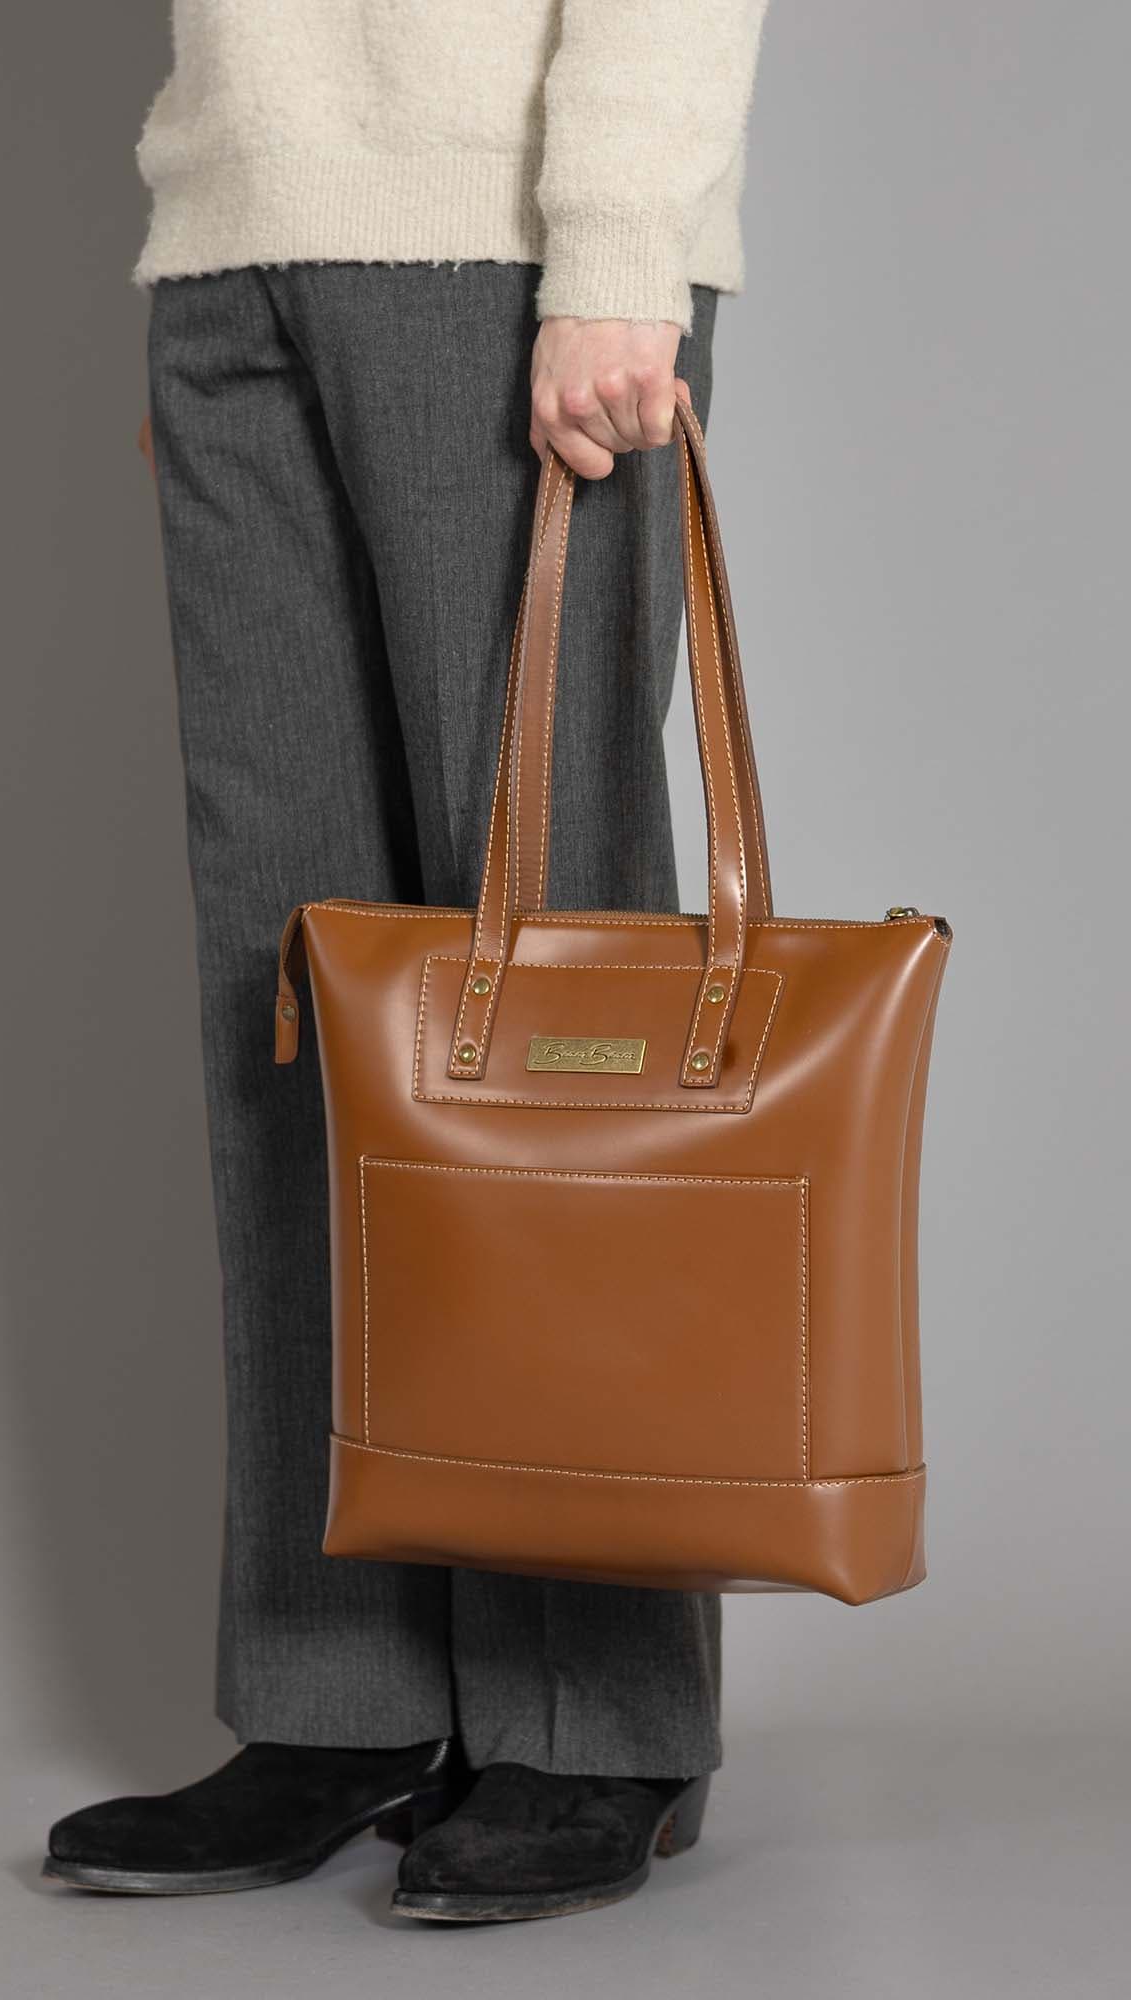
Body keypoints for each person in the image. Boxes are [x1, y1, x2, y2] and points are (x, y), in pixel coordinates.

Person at [44, 0, 770, 1923]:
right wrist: (218, 245)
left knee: (555, 1010)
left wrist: (616, 244)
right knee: (294, 997)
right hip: (239, 248)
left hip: (505, 244)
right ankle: (337, 1692)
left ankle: (594, 1715)